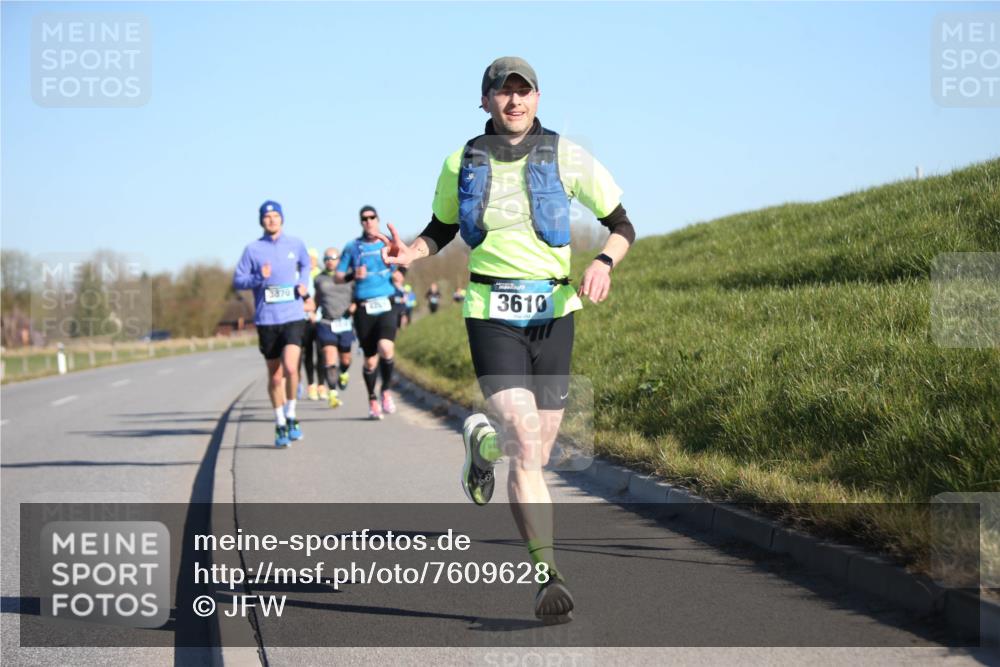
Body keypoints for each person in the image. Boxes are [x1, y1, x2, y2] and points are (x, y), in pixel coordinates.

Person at [376, 57, 635, 624]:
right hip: (490, 310)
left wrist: (604, 264)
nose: (514, 102)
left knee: (533, 453)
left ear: (538, 98)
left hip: (554, 311)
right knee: (521, 435)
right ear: (485, 101)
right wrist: (410, 252)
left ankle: (481, 446)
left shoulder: (567, 156)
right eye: (503, 93)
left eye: (524, 92)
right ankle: (547, 576)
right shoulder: (460, 161)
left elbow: (622, 224)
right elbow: (441, 228)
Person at [233, 200, 312, 448]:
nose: (272, 220)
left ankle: (291, 416)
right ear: (261, 221)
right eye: (267, 217)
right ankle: (279, 422)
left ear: (282, 219)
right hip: (267, 319)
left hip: (293, 315)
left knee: (291, 368)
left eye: (275, 216)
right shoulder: (252, 250)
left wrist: (303, 283)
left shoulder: (296, 244)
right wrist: (259, 277)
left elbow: (306, 264)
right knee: (275, 376)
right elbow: (239, 280)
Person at [336, 205, 399, 420]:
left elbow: (403, 262)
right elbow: (338, 276)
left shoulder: (387, 241)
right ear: (360, 222)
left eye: (372, 217)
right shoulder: (352, 247)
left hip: (387, 303)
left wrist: (400, 273)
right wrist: (353, 274)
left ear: (378, 219)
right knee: (370, 361)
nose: (368, 221)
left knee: (387, 348)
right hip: (364, 308)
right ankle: (372, 399)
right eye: (364, 219)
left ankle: (386, 392)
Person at [313, 247, 356, 408]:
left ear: (339, 260)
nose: (330, 261)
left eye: (333, 258)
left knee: (345, 358)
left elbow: (357, 294)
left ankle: (343, 372)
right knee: (330, 359)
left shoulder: (349, 276)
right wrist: (312, 310)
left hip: (344, 322)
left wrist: (354, 305)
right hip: (326, 322)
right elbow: (317, 298)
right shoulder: (319, 279)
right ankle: (332, 393)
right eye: (327, 258)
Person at [300, 248, 324, 401]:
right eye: (307, 258)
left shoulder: (321, 274)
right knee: (307, 353)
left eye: (312, 258)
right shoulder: (300, 276)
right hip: (305, 319)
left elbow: (324, 296)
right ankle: (311, 385)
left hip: (320, 318)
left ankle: (322, 385)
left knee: (321, 353)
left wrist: (317, 312)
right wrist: (308, 312)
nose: (310, 261)